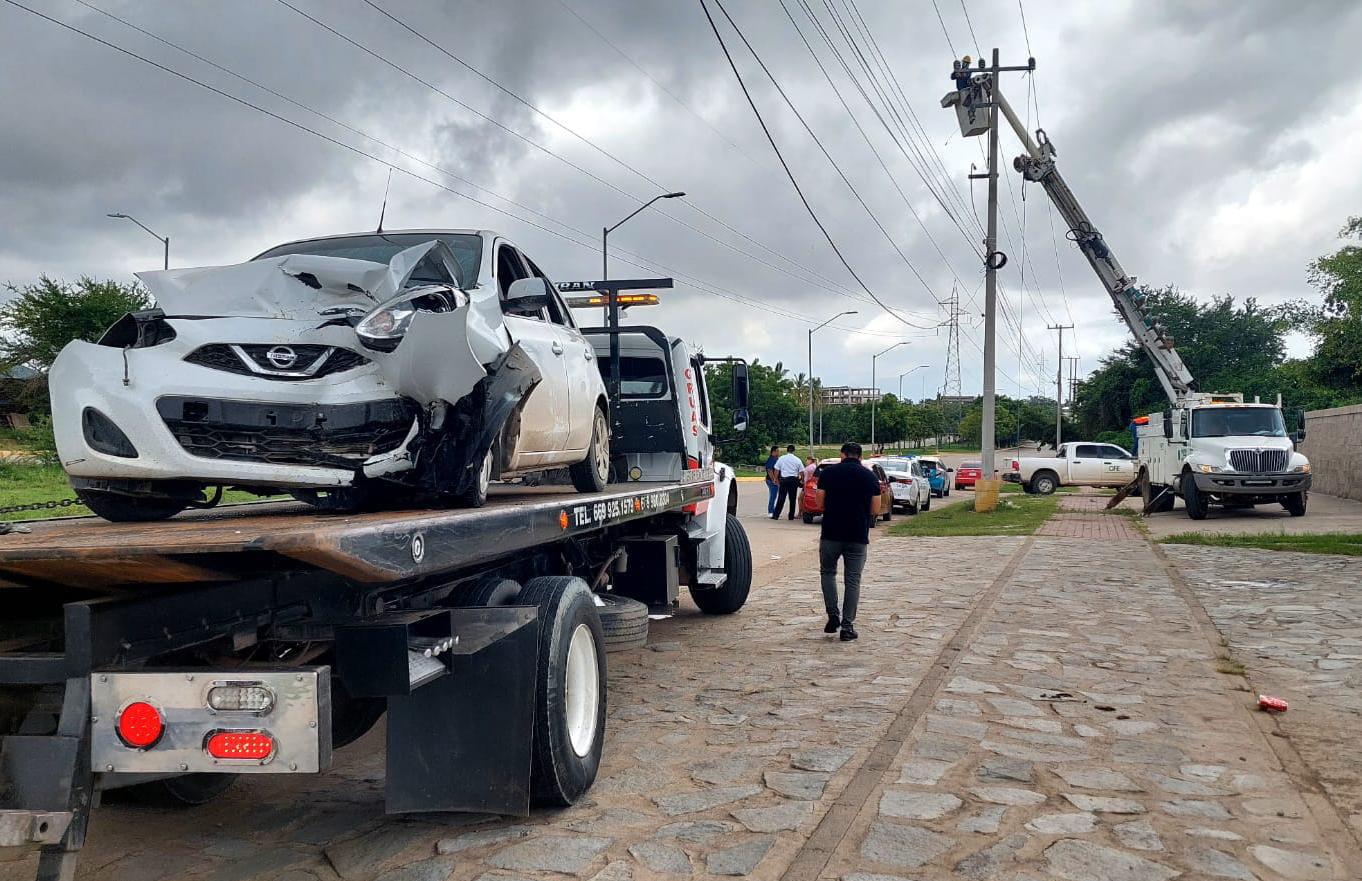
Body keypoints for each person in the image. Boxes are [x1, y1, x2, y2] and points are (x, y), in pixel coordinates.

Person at [814, 442, 882, 641]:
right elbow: (875, 509)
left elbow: (819, 503)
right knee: (853, 580)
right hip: (857, 535)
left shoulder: (828, 474)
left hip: (831, 533)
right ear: (860, 456)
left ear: (842, 454)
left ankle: (833, 615)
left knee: (827, 572)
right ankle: (847, 626)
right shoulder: (870, 476)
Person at [771, 444, 804, 520]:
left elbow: (776, 469)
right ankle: (791, 516)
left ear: (787, 450)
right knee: (792, 499)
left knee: (781, 498)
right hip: (793, 480)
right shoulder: (797, 460)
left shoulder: (781, 458)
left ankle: (776, 515)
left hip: (784, 480)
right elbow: (802, 471)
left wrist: (775, 479)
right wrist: (802, 479)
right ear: (794, 451)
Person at [764, 445, 780, 515]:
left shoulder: (776, 459)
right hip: (771, 480)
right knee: (773, 495)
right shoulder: (772, 459)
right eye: (777, 451)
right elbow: (769, 470)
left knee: (774, 495)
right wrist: (774, 479)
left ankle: (773, 510)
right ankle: (771, 511)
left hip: (774, 480)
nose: (778, 452)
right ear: (773, 452)